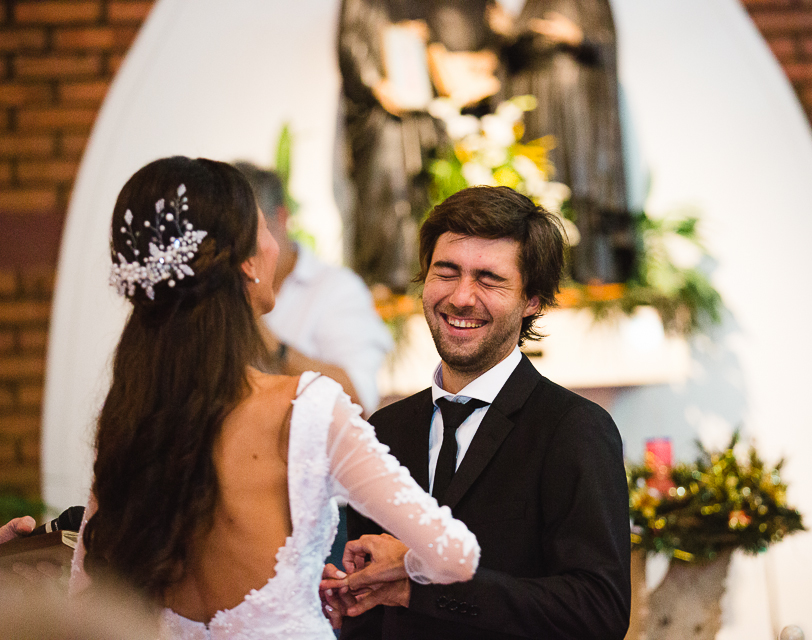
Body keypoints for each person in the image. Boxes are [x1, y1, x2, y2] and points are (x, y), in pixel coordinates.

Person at [68, 156, 479, 639]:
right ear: (246, 262)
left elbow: (85, 595)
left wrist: (297, 582)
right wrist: (396, 562)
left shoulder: (130, 413)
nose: (273, 244)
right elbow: (455, 556)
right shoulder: (306, 408)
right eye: (262, 229)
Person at [330, 186, 631, 639]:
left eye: (489, 279)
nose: (461, 297)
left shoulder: (574, 428)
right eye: (446, 272)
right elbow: (375, 609)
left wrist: (420, 580)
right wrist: (344, 603)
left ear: (532, 299)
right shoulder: (385, 429)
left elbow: (598, 611)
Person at [338, 0, 503, 292]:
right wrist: (375, 85)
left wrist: (425, 43)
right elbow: (349, 43)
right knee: (385, 189)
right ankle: (385, 280)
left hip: (419, 109)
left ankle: (421, 276)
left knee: (420, 191)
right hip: (380, 114)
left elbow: (440, 47)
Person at [233, 162, 393, 415]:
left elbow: (360, 399)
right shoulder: (214, 288)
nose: (238, 246)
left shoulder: (337, 289)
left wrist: (272, 345)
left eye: (247, 231)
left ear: (281, 218)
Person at [504, 0, 636, 284]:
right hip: (540, 98)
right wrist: (511, 32)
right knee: (544, 181)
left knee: (583, 179)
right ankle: (549, 273)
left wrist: (576, 36)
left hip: (578, 100)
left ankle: (595, 271)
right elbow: (514, 56)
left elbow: (606, 45)